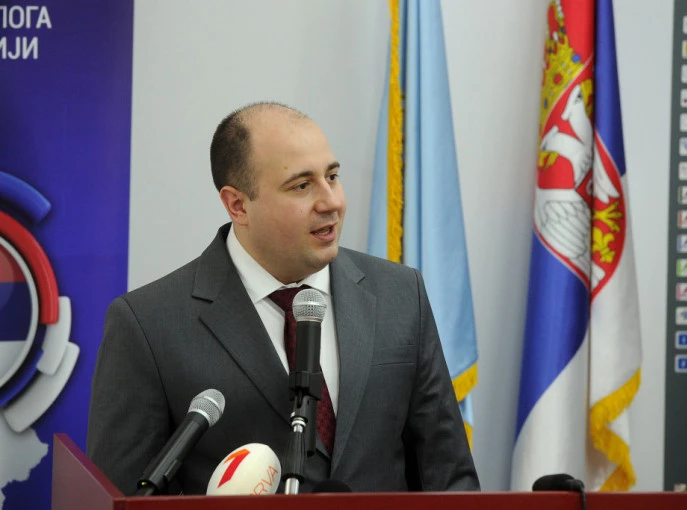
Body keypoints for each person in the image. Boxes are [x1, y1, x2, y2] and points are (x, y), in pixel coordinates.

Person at [87, 102, 479, 495]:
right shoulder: (148, 325)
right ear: (238, 205)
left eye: (332, 176)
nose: (331, 202)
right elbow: (124, 496)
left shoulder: (400, 294)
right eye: (302, 186)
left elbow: (449, 478)